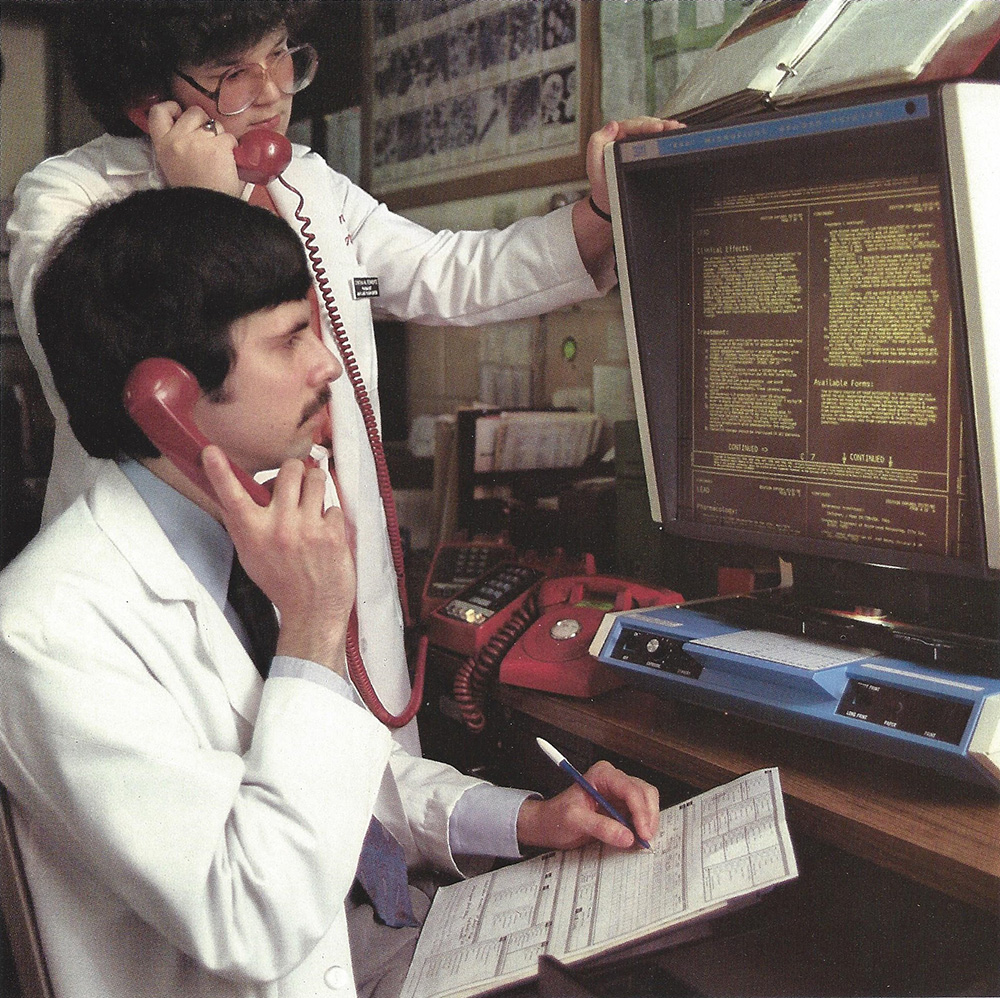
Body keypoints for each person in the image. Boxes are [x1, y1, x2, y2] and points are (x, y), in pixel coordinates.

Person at [0, 187, 661, 998]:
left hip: (391, 932)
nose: (330, 362)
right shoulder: (50, 628)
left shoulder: (257, 525)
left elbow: (345, 776)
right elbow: (251, 918)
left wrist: (526, 820)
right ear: (166, 398)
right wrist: (312, 626)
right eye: (291, 340)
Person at [5, 0, 680, 750]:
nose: (271, 94)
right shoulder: (66, 199)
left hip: (338, 588)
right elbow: (94, 375)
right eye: (234, 75)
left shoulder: (309, 185)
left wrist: (601, 212)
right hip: (185, 604)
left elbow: (447, 272)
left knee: (381, 824)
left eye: (281, 57)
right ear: (146, 97)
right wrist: (202, 206)